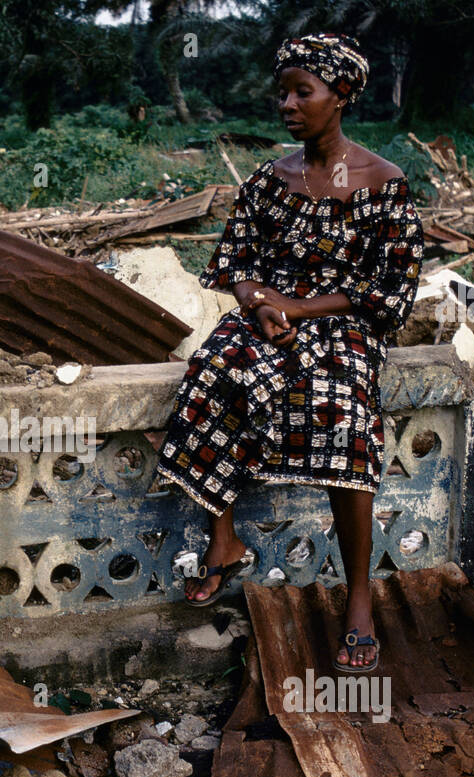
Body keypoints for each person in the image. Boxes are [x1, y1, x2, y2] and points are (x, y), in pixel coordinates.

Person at [154, 32, 424, 673]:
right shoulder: (269, 180)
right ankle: (224, 540)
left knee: (344, 411)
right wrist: (259, 306)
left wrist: (298, 310)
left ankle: (358, 597)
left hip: (342, 323)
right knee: (215, 372)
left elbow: (390, 291)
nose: (288, 104)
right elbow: (238, 262)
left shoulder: (384, 184)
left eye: (303, 91)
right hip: (268, 316)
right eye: (283, 92)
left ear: (343, 96)